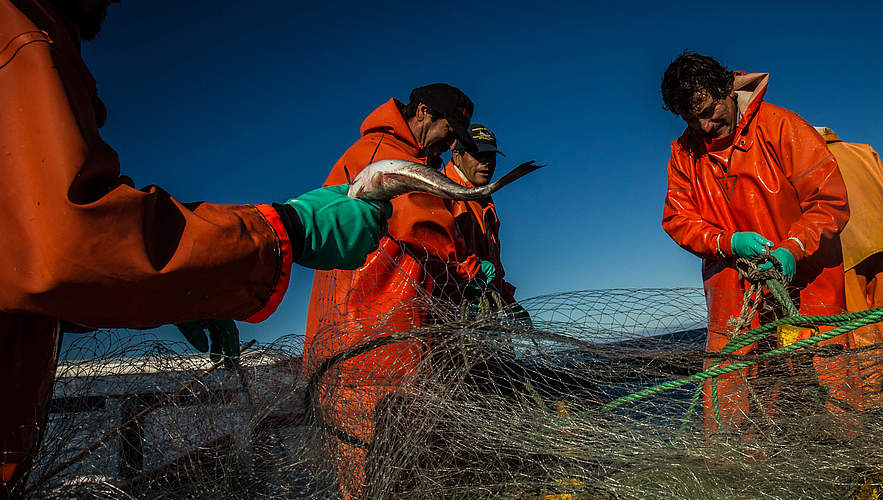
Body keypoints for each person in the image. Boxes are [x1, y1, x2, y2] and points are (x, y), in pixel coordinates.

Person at [0, 0, 386, 494]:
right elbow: (62, 241)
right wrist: (286, 228)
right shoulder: (19, 32)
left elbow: (23, 261)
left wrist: (185, 291)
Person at [303, 84, 488, 498]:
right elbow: (424, 236)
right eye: (449, 128)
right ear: (421, 112)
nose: (453, 141)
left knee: (403, 479)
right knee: (379, 481)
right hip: (371, 354)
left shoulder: (407, 157)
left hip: (384, 347)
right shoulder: (386, 158)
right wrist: (470, 274)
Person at [659, 52, 849, 432]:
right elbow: (677, 220)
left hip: (806, 284)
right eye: (691, 119)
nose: (704, 125)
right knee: (730, 391)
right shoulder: (682, 154)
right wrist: (726, 242)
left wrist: (792, 247)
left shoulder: (781, 126)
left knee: (826, 386)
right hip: (733, 296)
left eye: (710, 111)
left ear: (728, 89)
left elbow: (830, 201)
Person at [814, 125, 883, 411]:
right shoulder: (864, 151)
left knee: (859, 337)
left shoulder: (807, 157)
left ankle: (874, 406)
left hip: (844, 254)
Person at [443, 124, 523, 316]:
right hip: (452, 315)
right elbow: (434, 252)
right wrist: (472, 272)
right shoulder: (442, 191)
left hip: (484, 315)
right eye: (478, 155)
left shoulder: (485, 202)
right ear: (457, 156)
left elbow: (493, 268)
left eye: (491, 156)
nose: (486, 163)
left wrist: (508, 301)